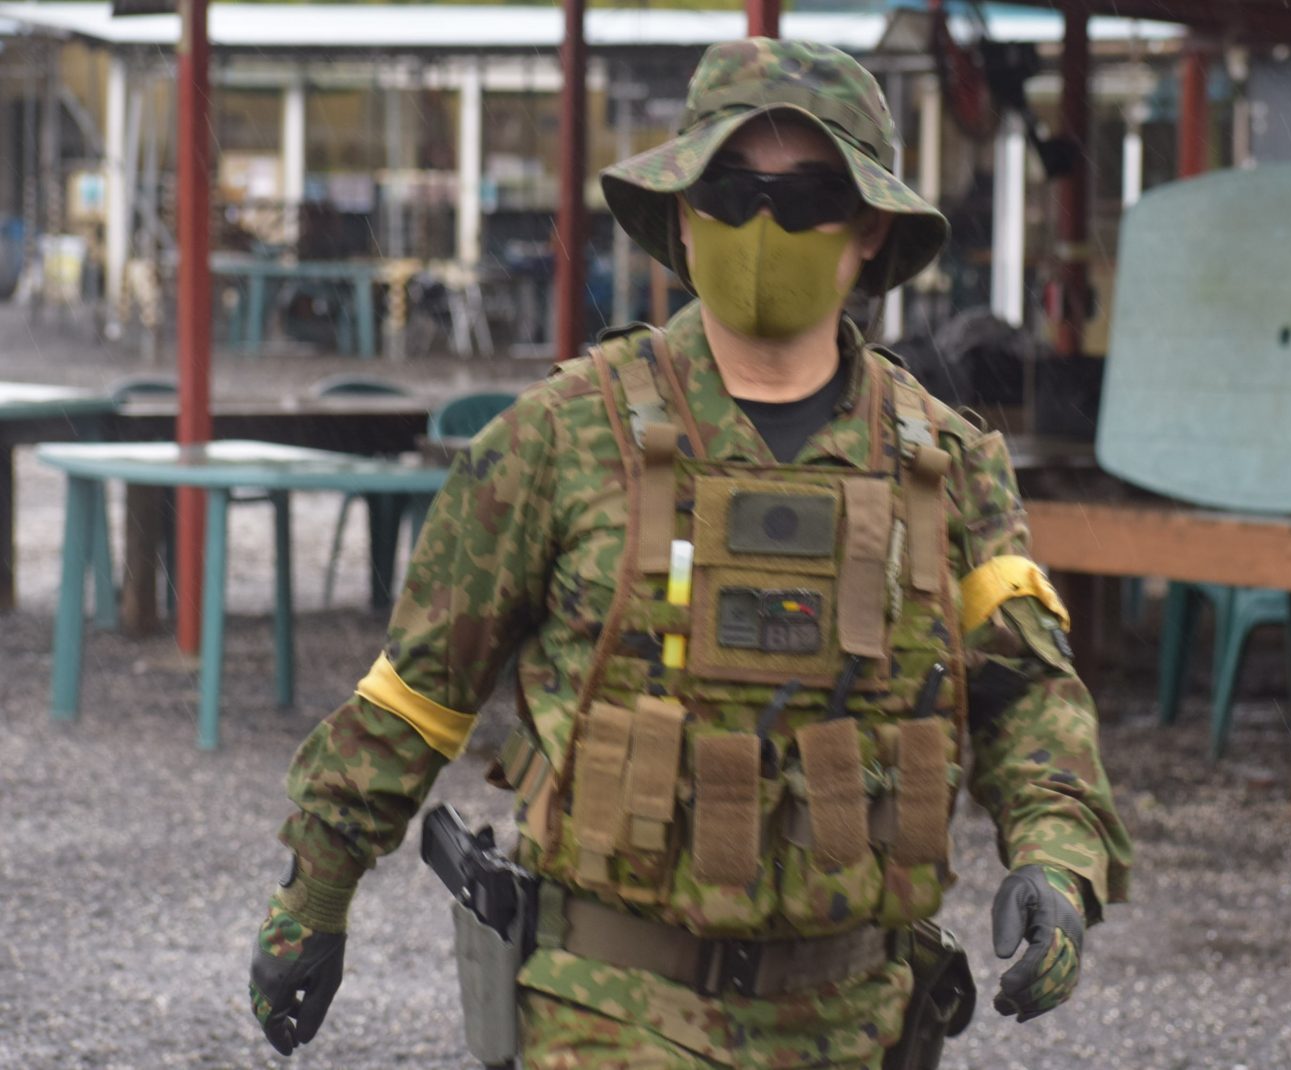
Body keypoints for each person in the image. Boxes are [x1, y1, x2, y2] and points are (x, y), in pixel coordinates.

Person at [249, 38, 1131, 1069]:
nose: (762, 225)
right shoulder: (558, 438)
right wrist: (314, 893)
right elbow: (416, 694)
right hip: (609, 1012)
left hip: (860, 1017)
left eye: (807, 198)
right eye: (729, 189)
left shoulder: (948, 465)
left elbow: (1029, 695)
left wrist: (1059, 863)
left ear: (869, 231)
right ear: (681, 216)